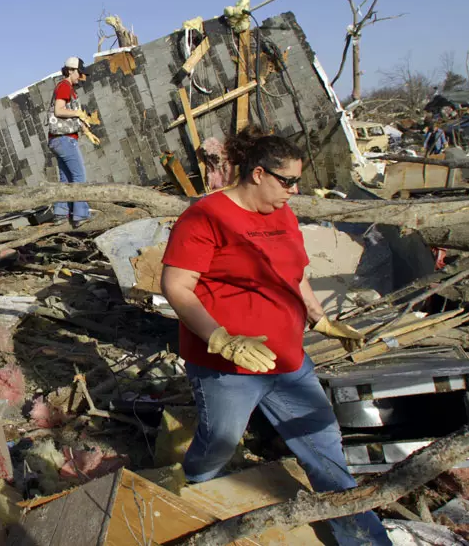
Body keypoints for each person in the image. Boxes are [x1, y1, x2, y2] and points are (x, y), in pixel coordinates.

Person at [160, 127, 391, 545]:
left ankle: (365, 540)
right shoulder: (205, 217)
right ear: (258, 174)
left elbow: (293, 272)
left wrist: (319, 318)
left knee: (324, 445)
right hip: (227, 366)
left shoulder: (281, 211)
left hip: (288, 359)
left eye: (297, 181)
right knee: (219, 443)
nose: (294, 190)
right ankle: (191, 499)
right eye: (287, 181)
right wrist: (222, 339)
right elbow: (177, 286)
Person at [47, 56, 97, 228]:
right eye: (79, 73)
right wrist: (78, 114)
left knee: (66, 178)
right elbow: (59, 110)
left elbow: (71, 115)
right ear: (70, 70)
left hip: (58, 140)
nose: (81, 77)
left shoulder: (69, 88)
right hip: (64, 139)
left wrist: (86, 131)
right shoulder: (64, 87)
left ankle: (60, 213)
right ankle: (80, 215)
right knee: (79, 176)